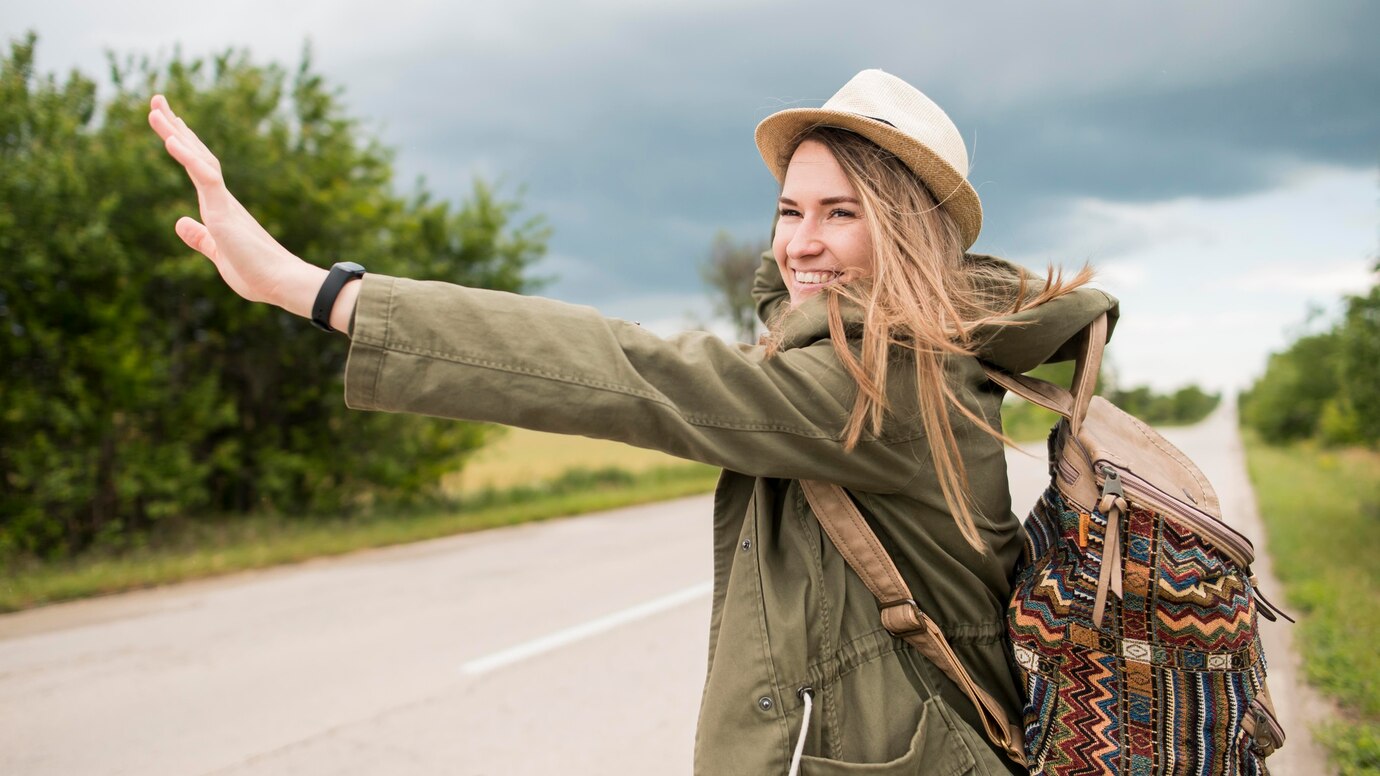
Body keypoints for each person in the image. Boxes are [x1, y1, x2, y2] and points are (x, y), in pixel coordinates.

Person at [148, 69, 1117, 775]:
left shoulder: (883, 386)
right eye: (789, 210)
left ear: (905, 229)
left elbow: (628, 373)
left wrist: (316, 291)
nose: (799, 242)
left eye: (841, 213)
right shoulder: (912, 353)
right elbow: (764, 313)